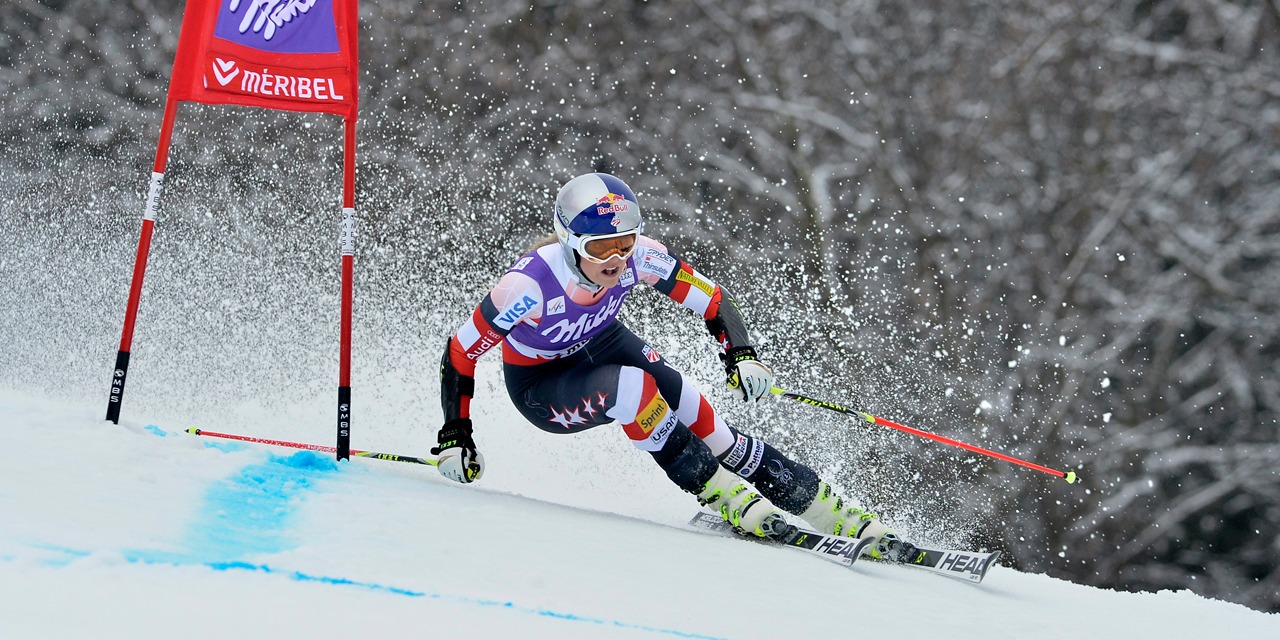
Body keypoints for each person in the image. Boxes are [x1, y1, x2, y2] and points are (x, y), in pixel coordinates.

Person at [431, 172, 913, 561]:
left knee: (706, 422)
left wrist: (741, 355)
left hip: (602, 342)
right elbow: (460, 353)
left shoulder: (641, 257)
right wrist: (456, 435)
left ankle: (837, 516)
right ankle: (723, 495)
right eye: (600, 248)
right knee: (633, 389)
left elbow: (713, 299)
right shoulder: (527, 288)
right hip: (542, 383)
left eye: (624, 242)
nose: (616, 259)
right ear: (570, 241)